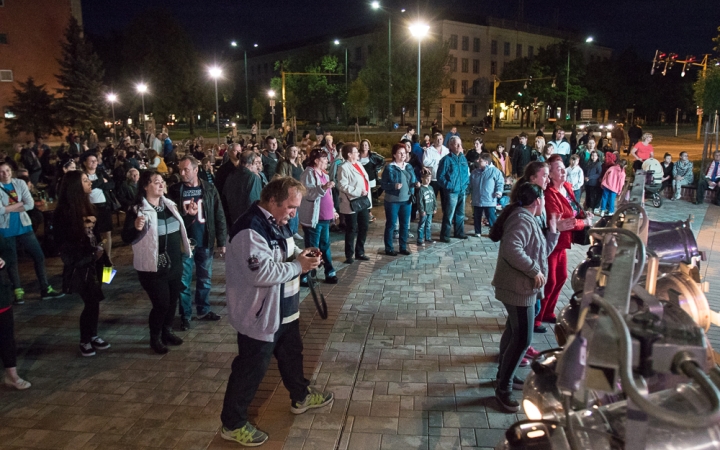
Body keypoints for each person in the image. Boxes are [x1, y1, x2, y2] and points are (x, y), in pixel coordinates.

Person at [220, 177, 333, 446]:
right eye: (291, 207)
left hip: (283, 309)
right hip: (259, 314)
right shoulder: (250, 229)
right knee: (251, 369)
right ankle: (232, 424)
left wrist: (302, 254)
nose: (294, 213)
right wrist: (299, 267)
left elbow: (286, 248)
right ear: (272, 201)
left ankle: (300, 396)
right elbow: (262, 271)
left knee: (291, 355)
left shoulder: (274, 222)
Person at [490, 183, 559, 412]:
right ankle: (503, 388)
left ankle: (503, 376)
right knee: (522, 338)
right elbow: (511, 248)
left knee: (514, 332)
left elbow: (541, 253)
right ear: (537, 201)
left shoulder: (528, 218)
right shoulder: (522, 218)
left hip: (520, 289)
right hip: (518, 290)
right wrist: (533, 270)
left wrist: (553, 230)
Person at [122, 171, 190, 354]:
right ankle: (155, 337)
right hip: (152, 267)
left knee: (173, 299)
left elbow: (179, 230)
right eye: (156, 182)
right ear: (145, 186)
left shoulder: (170, 205)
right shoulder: (137, 210)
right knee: (161, 303)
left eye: (162, 181)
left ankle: (167, 331)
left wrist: (189, 216)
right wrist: (136, 228)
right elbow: (126, 237)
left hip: (174, 263)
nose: (162, 185)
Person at [54, 171, 111, 357]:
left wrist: (101, 251)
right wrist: (88, 250)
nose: (90, 182)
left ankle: (93, 335)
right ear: (75, 186)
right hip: (82, 265)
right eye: (85, 180)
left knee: (96, 299)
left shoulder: (90, 205)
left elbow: (97, 235)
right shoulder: (64, 213)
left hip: (100, 262)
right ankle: (85, 340)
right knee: (91, 301)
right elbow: (64, 244)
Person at [168, 157, 227, 331]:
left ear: (195, 169)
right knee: (184, 281)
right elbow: (171, 219)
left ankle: (203, 309)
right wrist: (187, 215)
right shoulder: (175, 191)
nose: (182, 173)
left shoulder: (208, 188)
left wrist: (221, 241)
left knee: (205, 278)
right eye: (180, 170)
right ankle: (185, 315)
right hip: (184, 243)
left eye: (185, 169)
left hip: (205, 240)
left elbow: (219, 214)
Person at [539, 155, 593, 327]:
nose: (564, 171)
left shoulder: (567, 187)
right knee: (550, 281)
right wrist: (583, 223)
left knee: (562, 277)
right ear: (551, 174)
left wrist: (584, 216)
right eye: (559, 169)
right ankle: (536, 319)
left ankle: (548, 312)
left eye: (564, 168)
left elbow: (571, 216)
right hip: (553, 242)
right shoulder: (550, 194)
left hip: (563, 242)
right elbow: (560, 223)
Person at [0, 162, 63, 304]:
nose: (5, 173)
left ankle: (45, 287)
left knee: (39, 256)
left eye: (7, 170)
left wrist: (7, 207)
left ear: (12, 171)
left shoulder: (20, 183)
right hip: (5, 228)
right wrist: (18, 204)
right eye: (1, 171)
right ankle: (18, 290)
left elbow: (30, 204)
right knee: (11, 261)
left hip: (24, 226)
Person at [298, 149, 339, 284]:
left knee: (325, 245)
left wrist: (333, 210)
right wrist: (323, 187)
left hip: (325, 217)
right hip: (314, 218)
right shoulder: (308, 173)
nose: (327, 161)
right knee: (312, 247)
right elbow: (308, 194)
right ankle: (306, 274)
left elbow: (329, 196)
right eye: (324, 159)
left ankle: (329, 271)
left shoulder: (324, 174)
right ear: (316, 161)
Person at [0, 235, 31, 389]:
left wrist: (3, 260)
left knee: (6, 336)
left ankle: (12, 375)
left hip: (1, 294)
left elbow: (8, 251)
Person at [381, 143, 419, 256]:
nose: (403, 155)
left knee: (404, 225)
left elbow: (412, 179)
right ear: (394, 155)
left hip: (406, 200)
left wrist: (416, 183)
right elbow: (383, 184)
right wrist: (393, 186)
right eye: (400, 153)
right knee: (391, 224)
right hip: (392, 201)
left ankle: (403, 247)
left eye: (404, 153)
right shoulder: (389, 168)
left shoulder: (408, 166)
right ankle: (389, 248)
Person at [337, 143, 372, 264]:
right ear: (349, 154)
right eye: (356, 152)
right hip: (351, 202)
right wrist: (358, 191)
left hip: (362, 201)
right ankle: (349, 254)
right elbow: (342, 185)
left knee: (364, 226)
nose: (358, 153)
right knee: (351, 228)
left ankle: (360, 251)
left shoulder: (359, 164)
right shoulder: (343, 167)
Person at [80, 151, 115, 263]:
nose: (94, 163)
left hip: (104, 205)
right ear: (85, 163)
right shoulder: (82, 175)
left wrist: (97, 182)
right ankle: (95, 257)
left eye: (96, 160)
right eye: (91, 161)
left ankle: (107, 257)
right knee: (93, 233)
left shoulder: (100, 173)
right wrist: (100, 183)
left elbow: (111, 185)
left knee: (106, 233)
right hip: (90, 207)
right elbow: (83, 189)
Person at [437, 136, 470, 242]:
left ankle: (459, 232)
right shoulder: (446, 160)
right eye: (457, 144)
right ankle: (445, 235)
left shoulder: (463, 158)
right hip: (452, 192)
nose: (460, 146)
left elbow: (466, 174)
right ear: (451, 146)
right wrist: (450, 186)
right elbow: (440, 177)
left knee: (460, 214)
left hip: (461, 190)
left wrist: (465, 185)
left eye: (460, 144)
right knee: (449, 215)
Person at [223, 151, 262, 225]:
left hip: (233, 219)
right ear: (252, 162)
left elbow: (225, 195)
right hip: (249, 221)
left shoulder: (231, 175)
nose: (257, 166)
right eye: (256, 163)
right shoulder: (253, 178)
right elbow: (255, 201)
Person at [470, 153, 503, 237]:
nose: (478, 161)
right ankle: (477, 231)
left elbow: (500, 182)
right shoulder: (475, 172)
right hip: (477, 199)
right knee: (477, 216)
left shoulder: (495, 171)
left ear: (487, 162)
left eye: (480, 161)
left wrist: (499, 191)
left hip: (489, 199)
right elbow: (470, 184)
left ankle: (494, 231)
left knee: (491, 216)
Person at [359, 140, 386, 204]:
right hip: (360, 179)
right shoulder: (357, 155)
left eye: (366, 145)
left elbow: (382, 160)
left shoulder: (373, 155)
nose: (364, 146)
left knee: (369, 194)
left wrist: (377, 168)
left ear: (368, 147)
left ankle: (369, 209)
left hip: (371, 178)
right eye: (362, 145)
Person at [423, 133, 449, 198]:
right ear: (434, 140)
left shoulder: (446, 150)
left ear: (443, 140)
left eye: (440, 139)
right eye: (437, 139)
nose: (439, 141)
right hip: (433, 179)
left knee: (445, 201)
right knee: (432, 198)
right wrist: (437, 162)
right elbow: (425, 162)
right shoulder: (428, 151)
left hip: (444, 179)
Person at [416, 169, 436, 246]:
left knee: (428, 224)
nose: (428, 180)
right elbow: (420, 201)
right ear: (422, 178)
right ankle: (420, 239)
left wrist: (435, 207)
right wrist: (421, 210)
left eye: (429, 179)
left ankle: (428, 238)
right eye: (427, 179)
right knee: (422, 225)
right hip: (424, 211)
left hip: (430, 210)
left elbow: (433, 198)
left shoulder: (431, 188)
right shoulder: (421, 189)